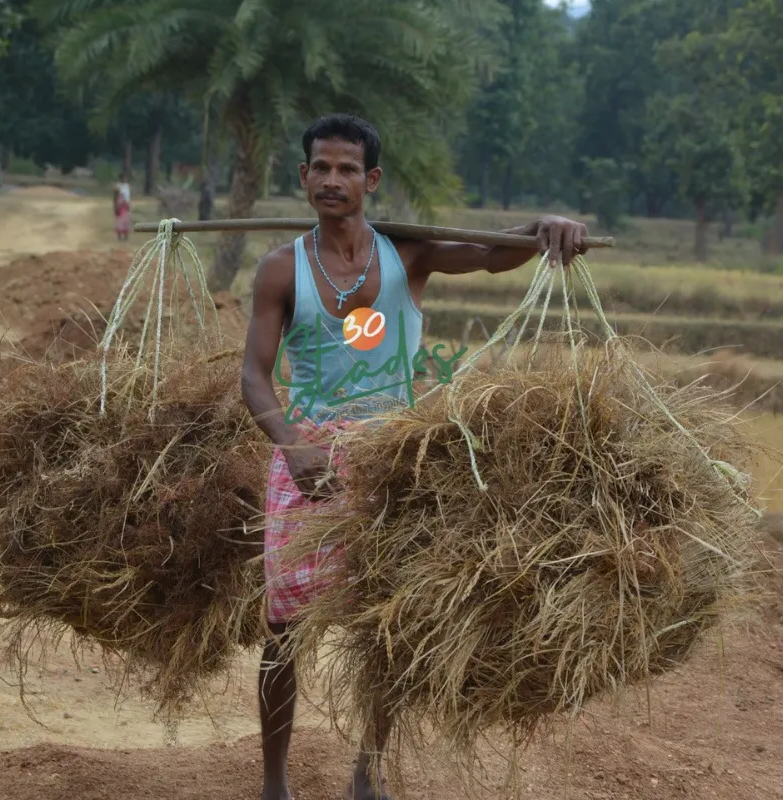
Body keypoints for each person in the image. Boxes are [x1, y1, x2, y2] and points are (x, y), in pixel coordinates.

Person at [239, 113, 589, 800]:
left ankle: (368, 776)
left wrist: (543, 225)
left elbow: (491, 253)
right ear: (303, 176)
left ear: (370, 180)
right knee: (284, 633)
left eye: (347, 169)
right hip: (308, 462)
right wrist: (293, 445)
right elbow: (254, 375)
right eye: (320, 167)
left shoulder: (409, 253)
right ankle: (274, 785)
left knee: (388, 627)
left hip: (394, 460)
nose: (332, 180)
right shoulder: (281, 269)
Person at [113, 174, 132, 241]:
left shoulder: (127, 186)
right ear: (120, 178)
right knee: (119, 221)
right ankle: (119, 237)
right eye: (123, 178)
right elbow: (115, 197)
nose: (124, 179)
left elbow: (128, 197)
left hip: (126, 205)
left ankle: (126, 237)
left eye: (125, 178)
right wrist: (115, 206)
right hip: (120, 205)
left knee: (126, 221)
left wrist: (128, 204)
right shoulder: (118, 186)